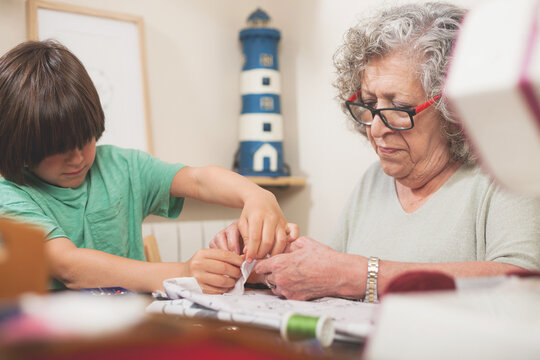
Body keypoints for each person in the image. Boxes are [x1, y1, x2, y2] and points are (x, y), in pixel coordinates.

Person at [211, 2, 540, 301]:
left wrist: (358, 275)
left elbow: (523, 282)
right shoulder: (374, 181)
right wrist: (259, 263)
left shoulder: (507, 174)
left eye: (398, 108)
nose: (375, 128)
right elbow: (331, 276)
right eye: (369, 105)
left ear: (451, 108)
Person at [0, 40, 296, 294]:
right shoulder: (11, 195)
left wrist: (256, 196)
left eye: (85, 139)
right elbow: (69, 266)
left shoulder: (122, 166)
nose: (77, 157)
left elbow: (197, 180)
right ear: (22, 148)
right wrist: (183, 271)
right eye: (58, 150)